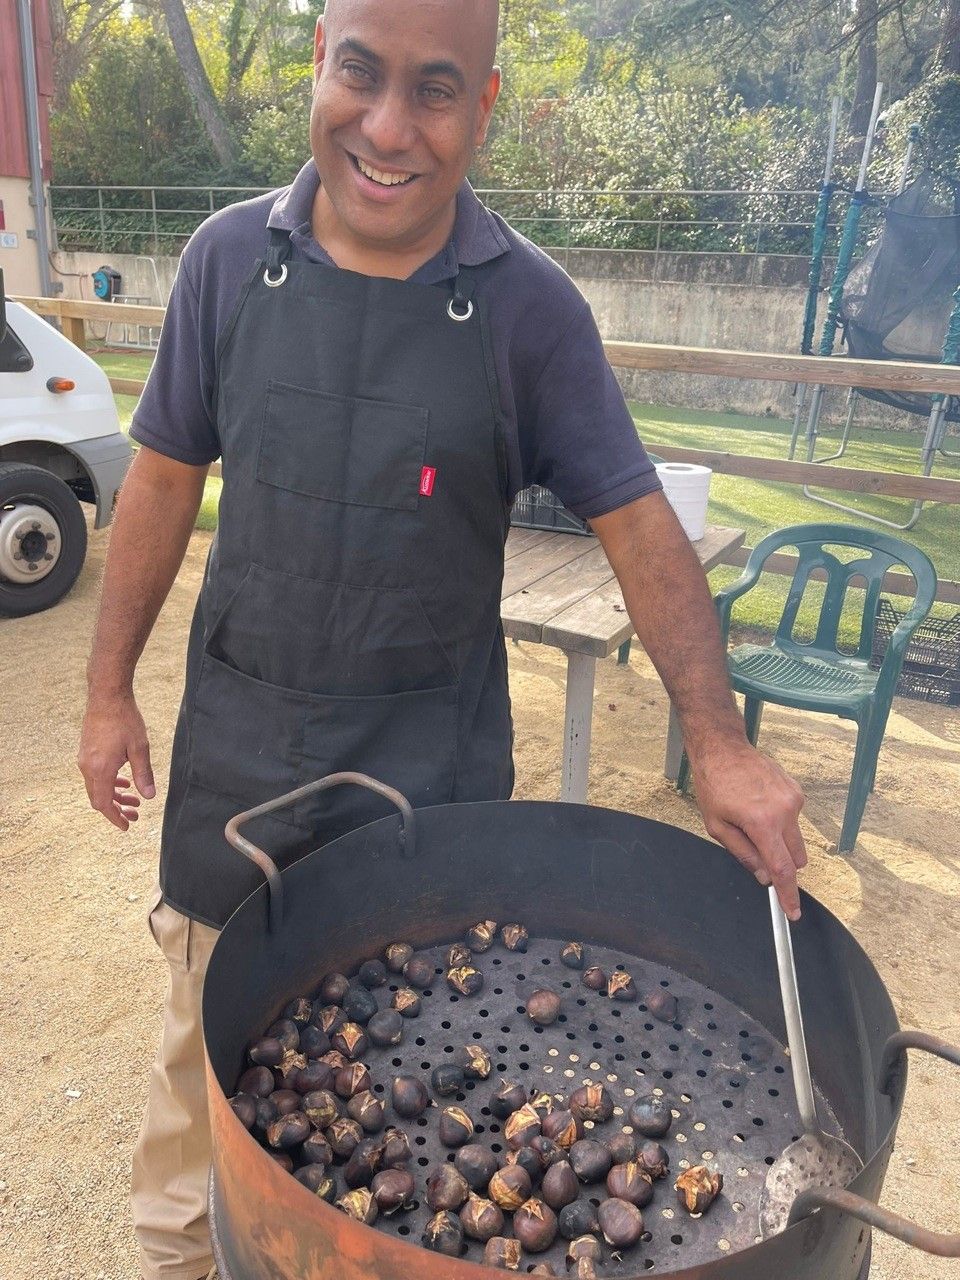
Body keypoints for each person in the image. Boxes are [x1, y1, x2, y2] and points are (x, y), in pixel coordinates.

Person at [78, 0, 806, 1275]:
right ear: (316, 62)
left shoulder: (531, 310)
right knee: (194, 1147)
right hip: (238, 779)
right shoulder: (222, 261)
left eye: (436, 87)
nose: (388, 126)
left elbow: (637, 521)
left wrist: (720, 739)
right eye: (360, 73)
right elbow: (157, 480)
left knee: (421, 1151)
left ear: (487, 104)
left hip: (432, 809)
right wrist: (105, 690)